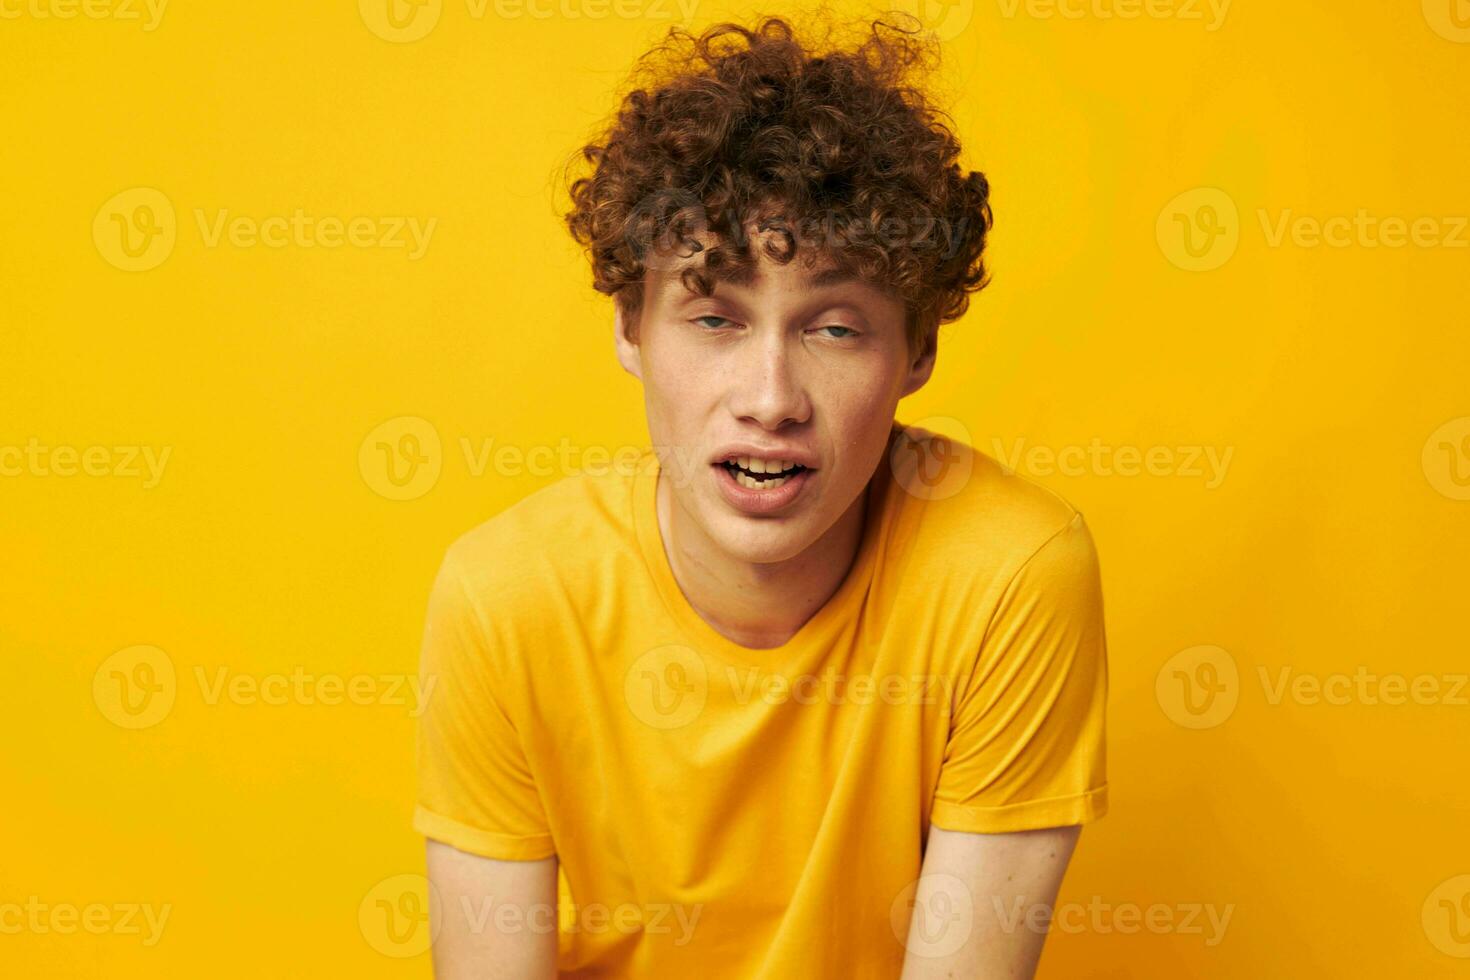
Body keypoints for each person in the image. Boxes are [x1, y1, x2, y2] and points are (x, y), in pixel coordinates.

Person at [413, 14, 1109, 978]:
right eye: (714, 317)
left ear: (918, 352)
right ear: (632, 329)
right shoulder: (508, 598)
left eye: (835, 330)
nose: (771, 401)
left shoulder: (1008, 578)